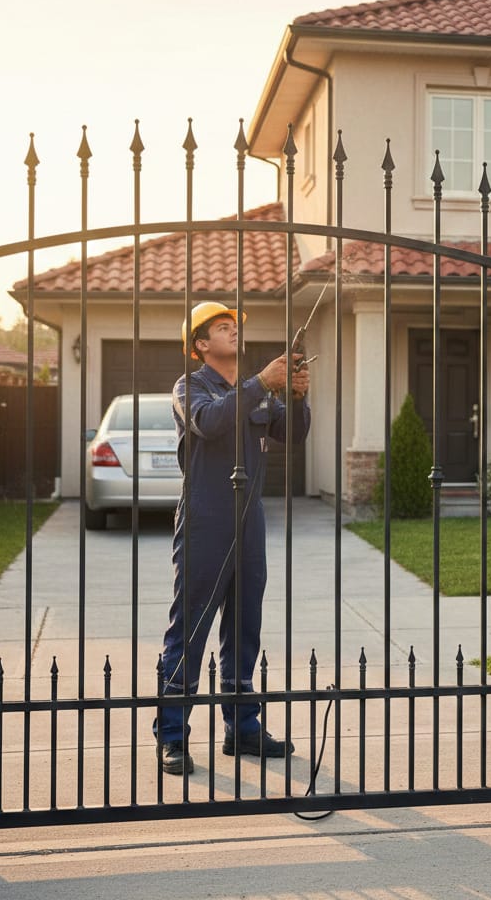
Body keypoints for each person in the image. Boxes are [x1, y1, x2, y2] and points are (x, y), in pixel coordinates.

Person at [154, 301, 311, 775]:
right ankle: (174, 737)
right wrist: (262, 383)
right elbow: (211, 421)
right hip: (206, 517)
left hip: (251, 519)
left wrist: (298, 395)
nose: (233, 333)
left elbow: (293, 433)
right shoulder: (190, 387)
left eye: (234, 327)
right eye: (223, 328)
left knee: (244, 627)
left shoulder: (257, 392)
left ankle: (241, 729)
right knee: (192, 626)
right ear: (201, 344)